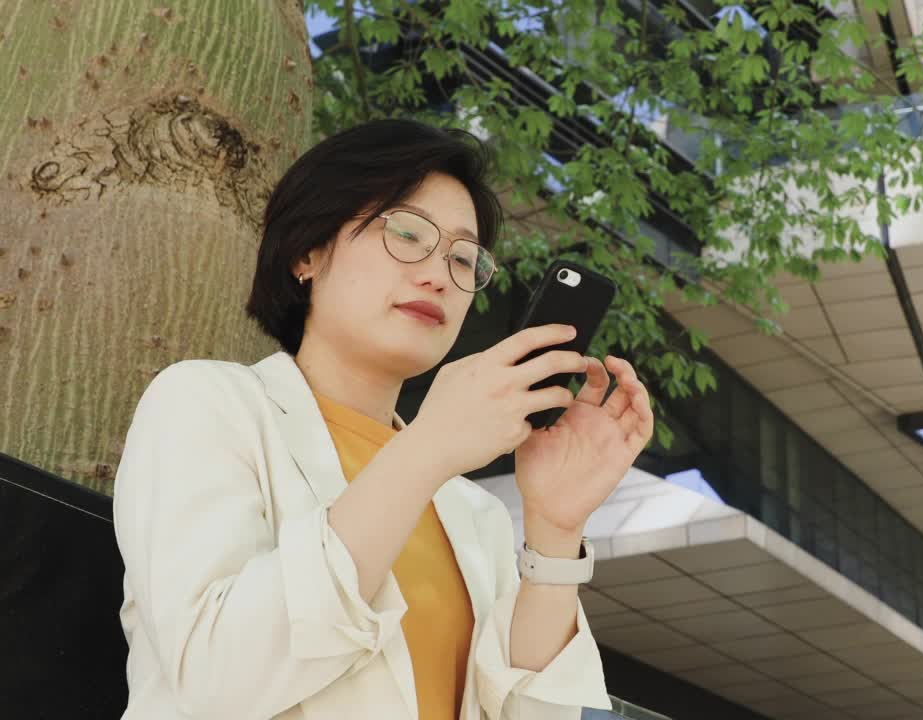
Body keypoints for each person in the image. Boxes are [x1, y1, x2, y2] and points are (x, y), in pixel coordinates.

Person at [111, 119, 654, 720]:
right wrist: (428, 448)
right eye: (406, 232)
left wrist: (553, 527)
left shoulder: (474, 514)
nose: (437, 275)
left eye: (464, 258)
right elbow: (218, 674)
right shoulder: (206, 403)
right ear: (307, 252)